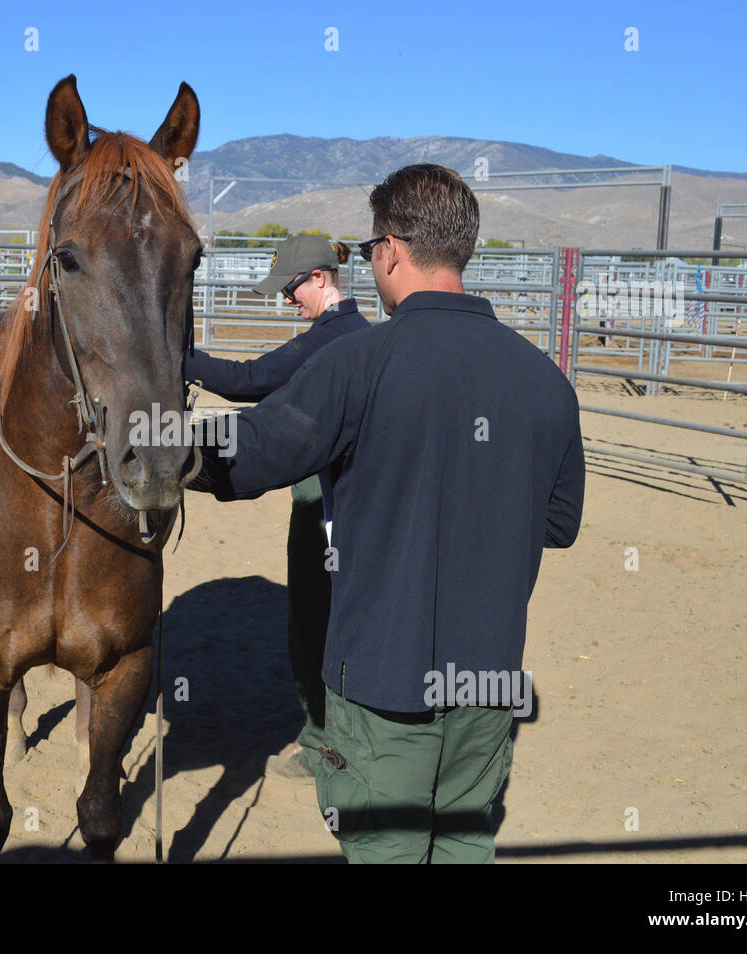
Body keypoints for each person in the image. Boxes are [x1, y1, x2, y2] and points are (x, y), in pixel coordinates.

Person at [190, 163, 585, 863]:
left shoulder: (361, 363)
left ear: (392, 249)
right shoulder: (547, 383)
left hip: (382, 685)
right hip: (489, 683)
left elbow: (246, 456)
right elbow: (558, 524)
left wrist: (150, 443)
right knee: (464, 849)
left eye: (372, 248)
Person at [184, 233, 369, 781]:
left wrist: (181, 360)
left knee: (312, 619)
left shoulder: (332, 339)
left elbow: (251, 381)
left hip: (323, 497)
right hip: (345, 493)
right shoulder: (352, 333)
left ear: (320, 279)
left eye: (291, 289)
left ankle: (321, 745)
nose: (288, 300)